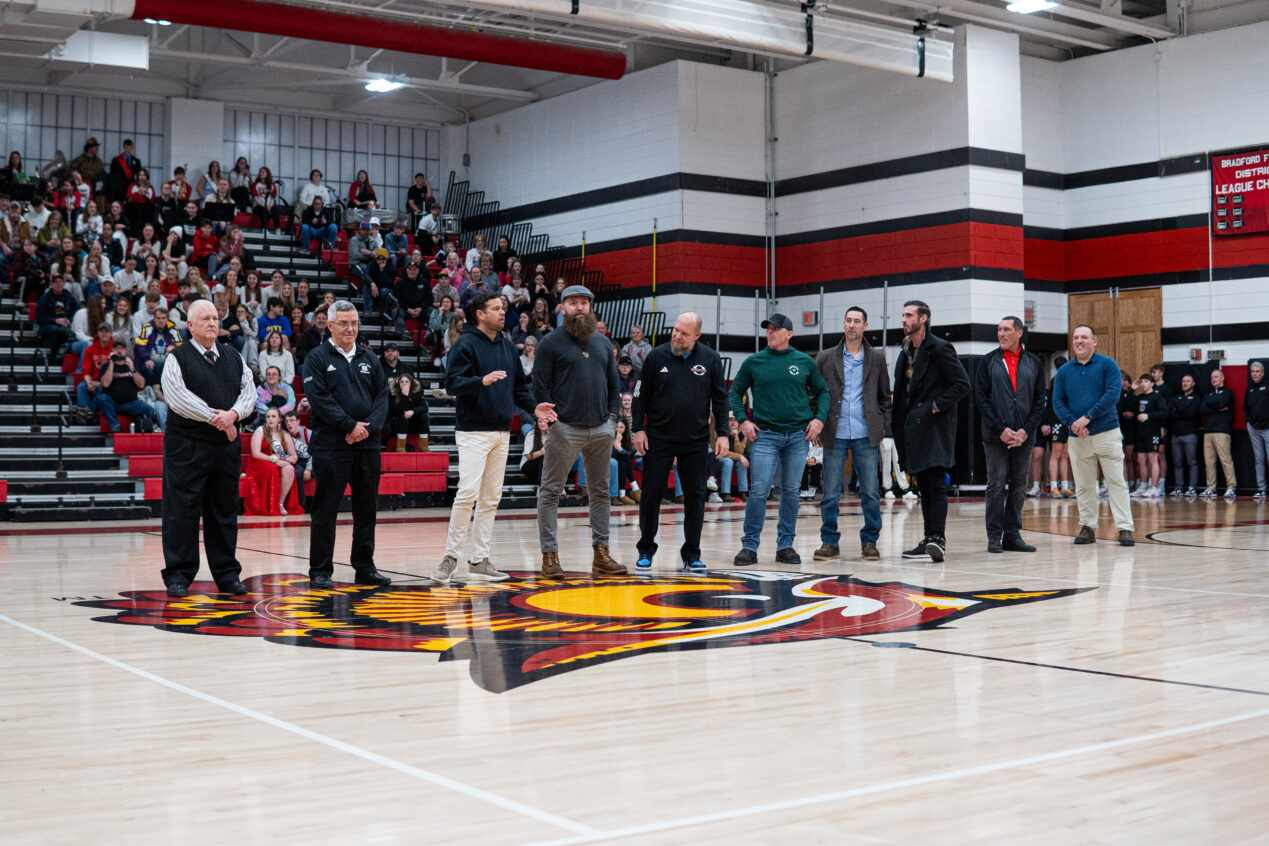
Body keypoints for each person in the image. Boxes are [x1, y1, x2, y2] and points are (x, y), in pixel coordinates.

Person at [433, 293, 537, 583]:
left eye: (503, 308)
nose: (502, 312)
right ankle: (450, 558)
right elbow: (452, 383)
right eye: (496, 308)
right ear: (480, 314)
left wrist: (535, 408)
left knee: (491, 499)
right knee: (467, 493)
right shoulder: (464, 344)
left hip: (502, 432)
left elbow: (519, 391)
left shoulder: (507, 346)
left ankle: (479, 559)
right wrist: (482, 381)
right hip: (473, 432)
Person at [157, 300, 256, 597]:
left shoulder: (233, 356)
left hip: (224, 448)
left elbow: (248, 393)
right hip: (186, 446)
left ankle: (227, 574)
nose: (212, 323)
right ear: (190, 326)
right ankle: (178, 575)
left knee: (224, 512)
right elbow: (178, 399)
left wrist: (234, 415)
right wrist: (220, 419)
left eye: (215, 318)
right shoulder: (178, 358)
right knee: (181, 512)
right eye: (205, 319)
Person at [532, 284, 627, 579]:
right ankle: (550, 556)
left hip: (601, 427)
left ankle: (602, 554)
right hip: (566, 428)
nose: (580, 308)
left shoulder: (601, 343)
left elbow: (614, 385)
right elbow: (539, 384)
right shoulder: (550, 342)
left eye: (584, 302)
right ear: (562, 308)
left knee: (600, 492)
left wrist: (612, 418)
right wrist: (552, 418)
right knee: (550, 492)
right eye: (573, 303)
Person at [302, 301, 392, 589]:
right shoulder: (316, 357)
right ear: (330, 325)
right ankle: (320, 570)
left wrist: (366, 429)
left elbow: (382, 399)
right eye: (343, 323)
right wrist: (349, 426)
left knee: (366, 510)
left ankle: (364, 567)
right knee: (325, 510)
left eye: (354, 323)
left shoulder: (370, 358)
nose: (350, 328)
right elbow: (320, 400)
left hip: (367, 446)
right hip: (331, 446)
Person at [629, 312, 729, 572]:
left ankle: (692, 554)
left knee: (695, 496)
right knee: (651, 494)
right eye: (675, 330)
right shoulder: (656, 356)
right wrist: (638, 429)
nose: (677, 335)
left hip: (695, 441)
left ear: (696, 335)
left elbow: (720, 399)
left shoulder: (710, 359)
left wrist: (724, 434)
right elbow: (639, 396)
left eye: (684, 333)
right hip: (659, 439)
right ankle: (646, 550)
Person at [728, 313, 828, 567]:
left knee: (792, 491)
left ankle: (785, 546)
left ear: (789, 334)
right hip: (765, 436)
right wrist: (743, 420)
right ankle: (749, 546)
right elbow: (734, 391)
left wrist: (819, 420)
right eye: (768, 329)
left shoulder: (804, 361)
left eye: (776, 329)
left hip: (797, 436)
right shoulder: (754, 362)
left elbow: (823, 391)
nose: (770, 333)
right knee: (759, 490)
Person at [890, 301, 970, 562]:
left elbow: (962, 384)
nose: (904, 319)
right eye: (903, 315)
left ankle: (938, 538)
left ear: (923, 319)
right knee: (924, 485)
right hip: (912, 428)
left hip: (935, 428)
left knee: (936, 484)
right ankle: (929, 538)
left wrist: (935, 406)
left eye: (909, 315)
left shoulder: (940, 348)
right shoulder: (904, 351)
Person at [813, 306, 892, 562]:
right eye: (848, 320)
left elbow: (884, 397)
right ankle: (829, 541)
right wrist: (815, 422)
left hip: (865, 432)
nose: (852, 325)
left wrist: (882, 427)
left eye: (857, 321)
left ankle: (870, 541)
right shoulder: (825, 357)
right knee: (831, 491)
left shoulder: (877, 358)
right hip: (833, 432)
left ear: (865, 326)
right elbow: (813, 394)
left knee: (870, 491)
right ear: (844, 324)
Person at [1051, 324, 1134, 546]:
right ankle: (1088, 526)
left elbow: (1112, 395)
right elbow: (1057, 402)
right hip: (1078, 437)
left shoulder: (1108, 365)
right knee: (1084, 485)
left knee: (1116, 481)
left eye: (1084, 337)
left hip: (1107, 432)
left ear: (1094, 342)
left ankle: (1125, 528)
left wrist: (1087, 417)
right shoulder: (1064, 371)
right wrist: (1073, 423)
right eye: (1076, 337)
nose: (1079, 341)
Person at [973, 316, 1046, 554]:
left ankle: (1012, 535)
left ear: (1019, 333)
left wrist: (1026, 430)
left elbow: (1039, 401)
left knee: (1018, 485)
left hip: (1024, 436)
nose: (1001, 334)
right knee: (996, 483)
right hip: (995, 435)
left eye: (1006, 330)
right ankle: (994, 536)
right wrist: (1000, 429)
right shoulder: (987, 361)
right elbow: (981, 400)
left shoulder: (1034, 362)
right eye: (999, 330)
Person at [250, 407, 299, 515]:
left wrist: (292, 459)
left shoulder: (285, 434)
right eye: (268, 417)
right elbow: (256, 453)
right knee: (271, 468)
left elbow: (293, 454)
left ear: (279, 419)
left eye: (273, 416)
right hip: (260, 461)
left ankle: (280, 503)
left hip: (276, 460)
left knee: (289, 469)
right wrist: (274, 460)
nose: (270, 419)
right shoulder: (260, 431)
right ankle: (270, 504)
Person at [1200, 368, 1238, 497]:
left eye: (1216, 377)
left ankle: (1231, 487)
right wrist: (1217, 408)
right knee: (1209, 461)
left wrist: (1214, 405)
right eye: (1211, 378)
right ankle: (1211, 487)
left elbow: (1222, 402)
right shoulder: (1208, 394)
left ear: (1222, 378)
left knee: (1225, 460)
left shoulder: (1228, 392)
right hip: (1208, 431)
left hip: (1222, 431)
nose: (1213, 379)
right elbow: (1202, 408)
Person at [1131, 373, 1168, 499]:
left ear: (1152, 383)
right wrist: (1132, 390)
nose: (1143, 384)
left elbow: (1165, 412)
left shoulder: (1157, 397)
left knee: (1153, 459)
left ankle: (1154, 487)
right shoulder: (1139, 397)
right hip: (1140, 432)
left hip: (1152, 432)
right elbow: (1128, 406)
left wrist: (1149, 416)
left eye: (1146, 381)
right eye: (1142, 381)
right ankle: (1143, 486)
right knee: (1141, 460)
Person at [1169, 373, 1202, 497]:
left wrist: (1178, 409)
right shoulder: (1176, 398)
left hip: (1190, 434)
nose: (1185, 383)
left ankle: (1192, 487)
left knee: (1191, 462)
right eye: (1183, 381)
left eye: (1188, 381)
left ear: (1193, 383)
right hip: (1175, 435)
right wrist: (1181, 410)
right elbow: (1170, 413)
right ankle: (1179, 487)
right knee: (1177, 462)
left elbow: (1191, 412)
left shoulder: (1196, 398)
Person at [388, 373, 430, 452]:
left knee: (424, 416)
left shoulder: (417, 393)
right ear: (398, 384)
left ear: (411, 383)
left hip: (413, 423)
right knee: (403, 417)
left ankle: (423, 446)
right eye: (402, 382)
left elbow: (424, 407)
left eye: (407, 382)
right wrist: (404, 396)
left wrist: (413, 411)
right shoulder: (393, 394)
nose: (404, 384)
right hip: (399, 423)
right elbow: (397, 411)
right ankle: (401, 447)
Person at [1245, 361, 1269, 499]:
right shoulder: (1250, 389)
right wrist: (1248, 423)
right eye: (1252, 371)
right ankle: (1261, 488)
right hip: (1254, 429)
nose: (1254, 373)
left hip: (1267, 428)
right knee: (1259, 459)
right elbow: (1245, 408)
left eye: (1257, 371)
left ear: (1262, 372)